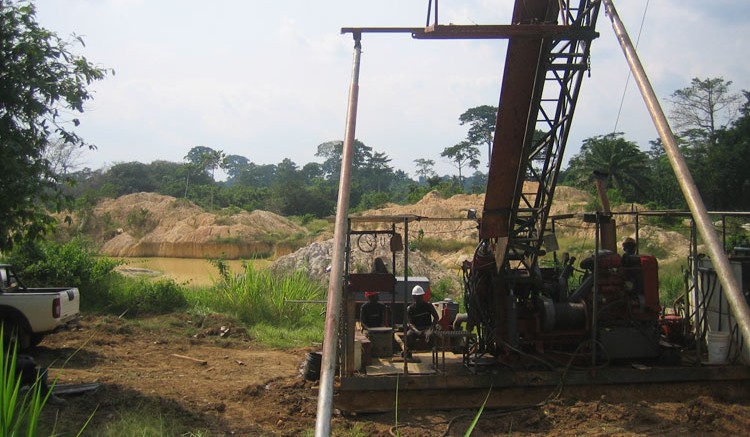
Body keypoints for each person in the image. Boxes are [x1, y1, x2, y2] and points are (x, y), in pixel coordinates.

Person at [404, 285, 440, 358]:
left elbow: (436, 317)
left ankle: (432, 353)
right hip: (416, 329)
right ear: (414, 297)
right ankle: (409, 352)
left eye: (420, 297)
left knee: (431, 335)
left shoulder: (428, 306)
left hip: (427, 328)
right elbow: (410, 323)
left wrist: (431, 328)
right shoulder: (410, 308)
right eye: (417, 297)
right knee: (408, 336)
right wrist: (416, 331)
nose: (419, 299)